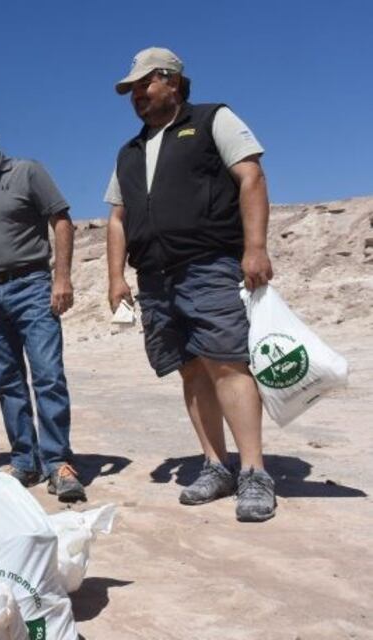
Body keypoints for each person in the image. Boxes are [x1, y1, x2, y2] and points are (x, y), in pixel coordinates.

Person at [105, 47, 276, 522]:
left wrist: (256, 247)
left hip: (208, 264)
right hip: (154, 277)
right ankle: (216, 466)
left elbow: (251, 177)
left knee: (226, 363)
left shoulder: (212, 120)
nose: (136, 95)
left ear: (172, 81)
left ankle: (254, 472)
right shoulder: (129, 151)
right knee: (189, 369)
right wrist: (117, 276)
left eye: (144, 84)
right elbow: (117, 218)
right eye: (132, 90)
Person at [0, 110, 85, 501]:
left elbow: (61, 221)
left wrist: (62, 277)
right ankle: (26, 459)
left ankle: (58, 461)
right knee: (6, 381)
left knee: (47, 375)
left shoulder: (27, 172)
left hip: (32, 284)